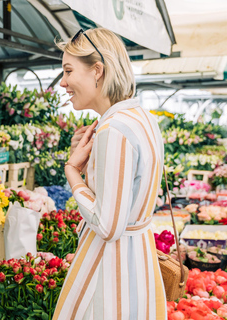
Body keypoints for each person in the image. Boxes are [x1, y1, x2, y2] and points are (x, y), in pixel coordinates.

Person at [53, 28, 166, 319]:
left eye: (68, 70)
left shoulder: (112, 128)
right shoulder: (141, 117)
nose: (63, 82)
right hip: (135, 260)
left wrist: (73, 172)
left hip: (110, 268)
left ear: (97, 70)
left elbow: (107, 226)